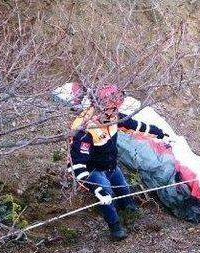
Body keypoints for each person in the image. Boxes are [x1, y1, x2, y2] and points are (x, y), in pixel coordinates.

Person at [67, 84, 167, 241]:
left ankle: (130, 212)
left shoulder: (113, 116)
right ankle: (115, 227)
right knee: (105, 196)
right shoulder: (84, 130)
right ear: (100, 106)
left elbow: (134, 125)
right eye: (113, 107)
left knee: (124, 191)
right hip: (93, 170)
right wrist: (95, 189)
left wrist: (158, 132)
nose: (116, 111)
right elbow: (76, 166)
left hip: (112, 166)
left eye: (117, 107)